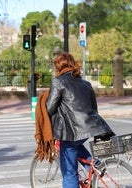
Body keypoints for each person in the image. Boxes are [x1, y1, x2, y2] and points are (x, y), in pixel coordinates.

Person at [46, 52, 115, 187]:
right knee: (77, 145)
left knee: (69, 173)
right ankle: (94, 166)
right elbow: (94, 108)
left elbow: (50, 108)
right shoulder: (86, 83)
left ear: (59, 68)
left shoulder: (58, 82)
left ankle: (91, 168)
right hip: (92, 128)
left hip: (73, 131)